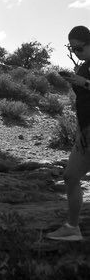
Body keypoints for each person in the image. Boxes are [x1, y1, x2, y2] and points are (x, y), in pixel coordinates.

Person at [47, 25, 90, 241]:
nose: (76, 53)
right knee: (70, 176)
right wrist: (80, 131)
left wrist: (85, 83)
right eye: (72, 49)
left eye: (79, 49)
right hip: (86, 133)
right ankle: (72, 228)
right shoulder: (83, 67)